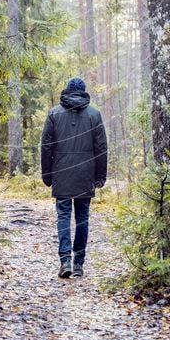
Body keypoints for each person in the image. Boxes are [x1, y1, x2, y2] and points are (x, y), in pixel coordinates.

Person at [41, 76, 108, 278]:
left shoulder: (54, 114)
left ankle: (65, 262)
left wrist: (47, 174)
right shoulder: (94, 115)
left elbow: (46, 147)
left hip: (61, 173)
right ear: (84, 91)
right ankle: (78, 264)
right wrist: (100, 176)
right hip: (85, 174)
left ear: (66, 90)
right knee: (82, 218)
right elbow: (101, 149)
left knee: (63, 217)